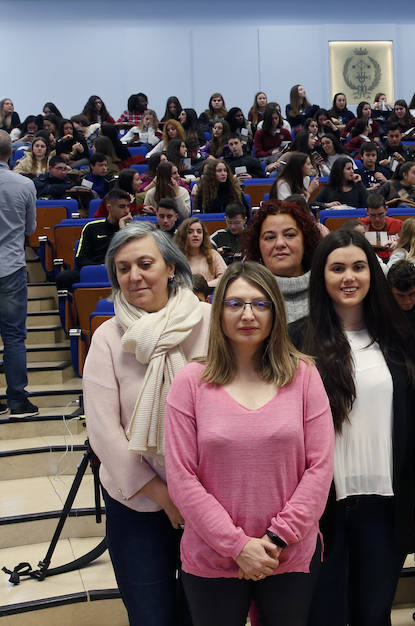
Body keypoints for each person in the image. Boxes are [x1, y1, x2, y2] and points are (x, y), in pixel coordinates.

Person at [165, 261, 333, 625]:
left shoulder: (304, 375)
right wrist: (237, 546)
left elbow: (320, 468)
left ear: (275, 312)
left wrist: (277, 538)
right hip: (212, 557)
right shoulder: (190, 382)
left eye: (260, 304)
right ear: (218, 311)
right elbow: (181, 477)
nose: (247, 314)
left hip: (287, 555)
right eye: (235, 303)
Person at [288, 229, 415, 626]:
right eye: (337, 268)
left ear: (373, 273)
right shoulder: (296, 339)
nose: (349, 277)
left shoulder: (397, 336)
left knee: (373, 615)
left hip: (386, 504)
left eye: (358, 267)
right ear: (321, 276)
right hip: (321, 507)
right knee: (325, 616)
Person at [83, 222, 211, 624]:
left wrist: (191, 498)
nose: (134, 276)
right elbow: (104, 432)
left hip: (209, 501)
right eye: (123, 269)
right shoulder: (108, 337)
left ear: (170, 267)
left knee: (202, 613)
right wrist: (164, 496)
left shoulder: (209, 321)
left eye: (145, 264)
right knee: (150, 615)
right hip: (136, 502)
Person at [0, 131, 38, 418]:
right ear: (11, 153)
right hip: (10, 266)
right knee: (13, 337)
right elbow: (30, 229)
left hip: (10, 266)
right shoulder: (24, 184)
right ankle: (17, 401)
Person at [242, 199, 323, 323]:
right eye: (270, 237)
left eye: (290, 235)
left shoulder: (329, 290)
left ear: (305, 240)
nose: (280, 243)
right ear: (257, 246)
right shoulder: (243, 296)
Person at [55, 188, 134, 291]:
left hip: (120, 269)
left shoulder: (132, 230)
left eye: (128, 206)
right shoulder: (91, 227)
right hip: (95, 267)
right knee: (64, 277)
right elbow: (81, 259)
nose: (127, 211)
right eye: (122, 207)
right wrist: (99, 268)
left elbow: (132, 255)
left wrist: (123, 230)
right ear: (109, 208)